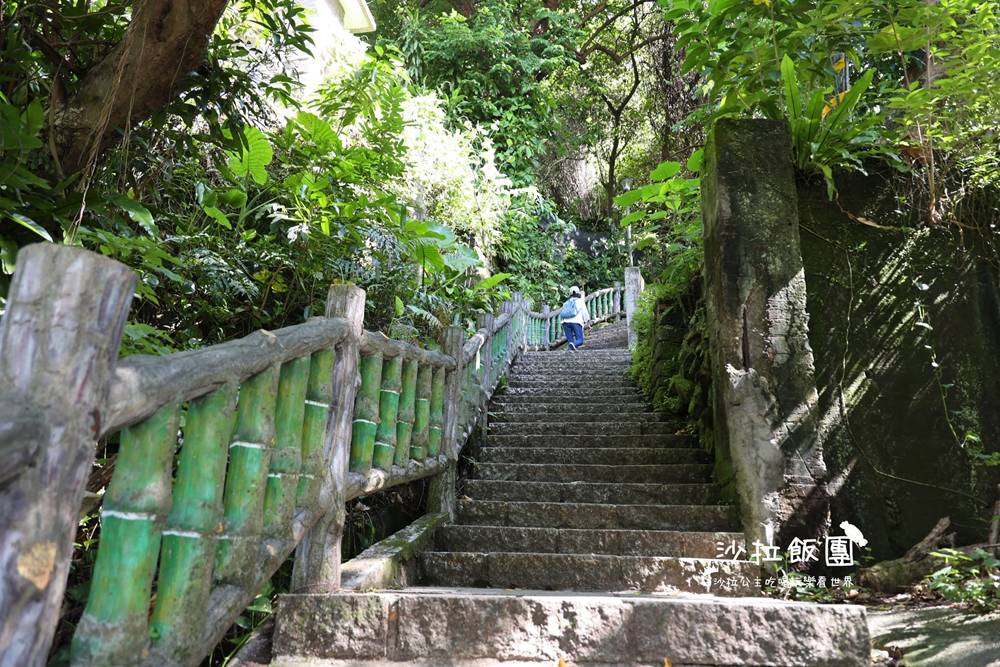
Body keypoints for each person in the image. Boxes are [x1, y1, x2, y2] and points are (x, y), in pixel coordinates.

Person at [559, 285, 590, 351]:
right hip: (576, 322)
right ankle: (572, 346)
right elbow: (585, 312)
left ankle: (570, 351)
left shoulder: (566, 302)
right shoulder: (580, 301)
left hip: (565, 323)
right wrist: (587, 321)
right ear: (578, 292)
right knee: (580, 340)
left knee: (570, 341)